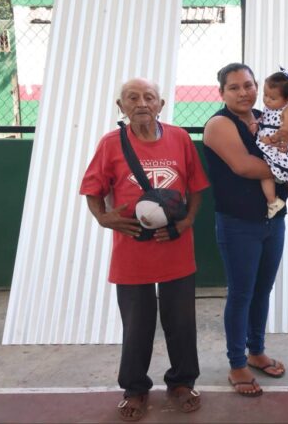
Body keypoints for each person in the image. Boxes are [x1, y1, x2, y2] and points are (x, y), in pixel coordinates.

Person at [80, 78, 207, 422]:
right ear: (120, 106)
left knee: (181, 321)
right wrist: (103, 218)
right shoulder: (111, 144)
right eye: (132, 98)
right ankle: (135, 388)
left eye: (149, 97)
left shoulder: (180, 139)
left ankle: (182, 382)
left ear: (160, 104)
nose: (141, 103)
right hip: (132, 250)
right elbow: (92, 188)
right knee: (137, 324)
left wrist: (187, 221)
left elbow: (196, 186)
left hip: (175, 248)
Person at [202, 63, 288, 397]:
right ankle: (237, 362)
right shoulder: (219, 124)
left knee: (262, 291)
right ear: (222, 92)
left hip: (273, 221)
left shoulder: (267, 117)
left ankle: (256, 351)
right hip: (238, 224)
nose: (244, 92)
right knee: (241, 293)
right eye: (234, 87)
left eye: (249, 85)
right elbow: (243, 166)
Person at [254, 70, 288, 220]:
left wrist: (272, 139)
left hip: (279, 148)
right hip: (269, 147)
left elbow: (286, 129)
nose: (267, 100)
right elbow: (264, 121)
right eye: (265, 95)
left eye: (272, 98)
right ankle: (272, 201)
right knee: (268, 173)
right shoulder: (268, 108)